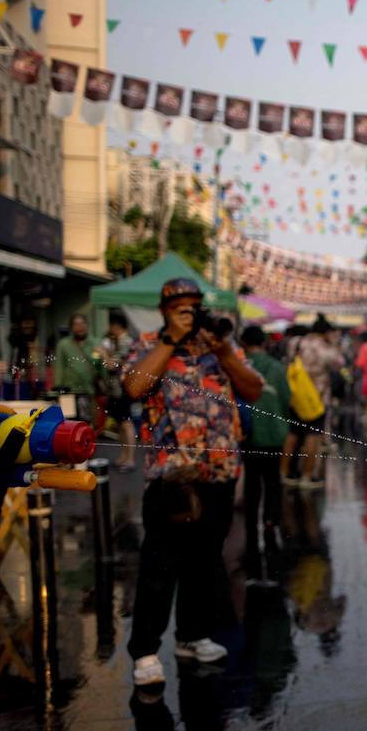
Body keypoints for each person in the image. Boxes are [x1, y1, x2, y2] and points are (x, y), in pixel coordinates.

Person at [121, 278, 263, 688]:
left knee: (206, 560)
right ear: (164, 310)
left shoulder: (218, 346)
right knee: (160, 564)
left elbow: (253, 390)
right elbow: (133, 386)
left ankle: (192, 635)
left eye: (194, 306)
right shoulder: (149, 344)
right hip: (172, 475)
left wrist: (224, 353)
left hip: (219, 471)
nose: (189, 312)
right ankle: (145, 651)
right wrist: (170, 339)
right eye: (180, 306)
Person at [240, 325, 290, 575]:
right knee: (272, 479)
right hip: (274, 431)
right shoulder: (277, 367)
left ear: (243, 342)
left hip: (248, 433)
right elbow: (285, 399)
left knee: (251, 479)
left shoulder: (237, 365)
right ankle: (271, 519)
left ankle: (251, 522)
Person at [281, 317, 344, 489]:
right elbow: (339, 364)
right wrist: (334, 344)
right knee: (312, 435)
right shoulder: (326, 348)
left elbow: (287, 359)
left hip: (294, 394)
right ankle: (306, 476)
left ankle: (284, 472)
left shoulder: (296, 342)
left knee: (292, 433)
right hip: (316, 397)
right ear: (325, 332)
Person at [100, 311, 138, 471]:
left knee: (126, 423)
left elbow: (112, 365)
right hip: (117, 389)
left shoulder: (126, 342)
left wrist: (103, 353)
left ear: (116, 326)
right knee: (122, 424)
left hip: (123, 389)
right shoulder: (119, 342)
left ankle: (130, 459)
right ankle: (124, 456)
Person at [54, 313, 99, 424]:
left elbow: (100, 366)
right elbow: (59, 368)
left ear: (87, 325)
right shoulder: (63, 345)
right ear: (71, 327)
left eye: (83, 324)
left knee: (87, 425)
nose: (80, 327)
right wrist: (57, 390)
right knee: (68, 423)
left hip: (88, 392)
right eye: (76, 324)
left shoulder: (95, 343)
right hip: (68, 392)